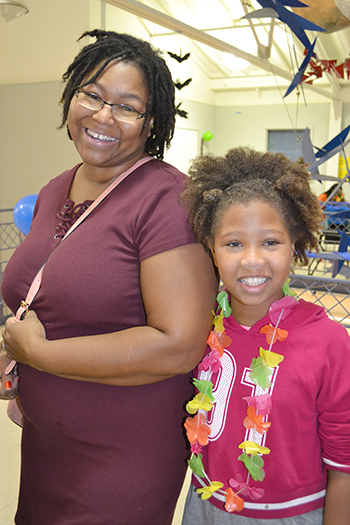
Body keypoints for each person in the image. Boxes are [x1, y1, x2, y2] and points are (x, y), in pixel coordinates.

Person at [0, 30, 218, 525]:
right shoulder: (56, 188)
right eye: (92, 94)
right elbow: (49, 298)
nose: (102, 116)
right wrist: (14, 350)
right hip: (44, 446)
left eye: (127, 106)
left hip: (122, 455)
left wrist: (38, 353)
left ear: (152, 122)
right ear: (70, 95)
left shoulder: (167, 200)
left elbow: (177, 344)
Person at [179, 147, 350, 524]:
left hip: (292, 515)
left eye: (271, 242)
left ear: (297, 245)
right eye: (234, 243)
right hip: (204, 507)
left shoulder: (328, 343)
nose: (252, 260)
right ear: (212, 249)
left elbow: (345, 466)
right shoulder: (201, 327)